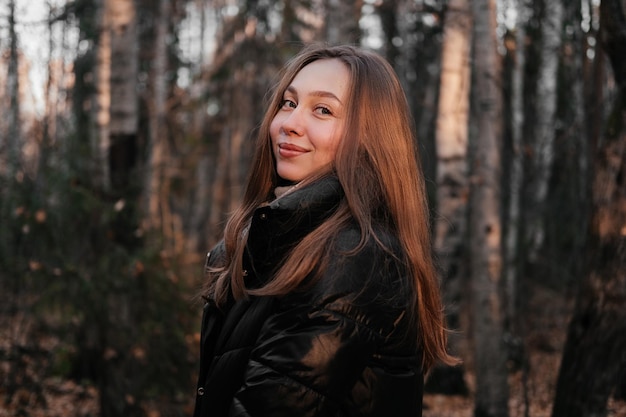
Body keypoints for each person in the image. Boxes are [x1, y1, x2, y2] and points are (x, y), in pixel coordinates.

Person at [193, 44, 457, 417]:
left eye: (323, 110)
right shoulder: (274, 238)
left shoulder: (355, 256)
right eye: (288, 103)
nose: (290, 123)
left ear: (369, 137)